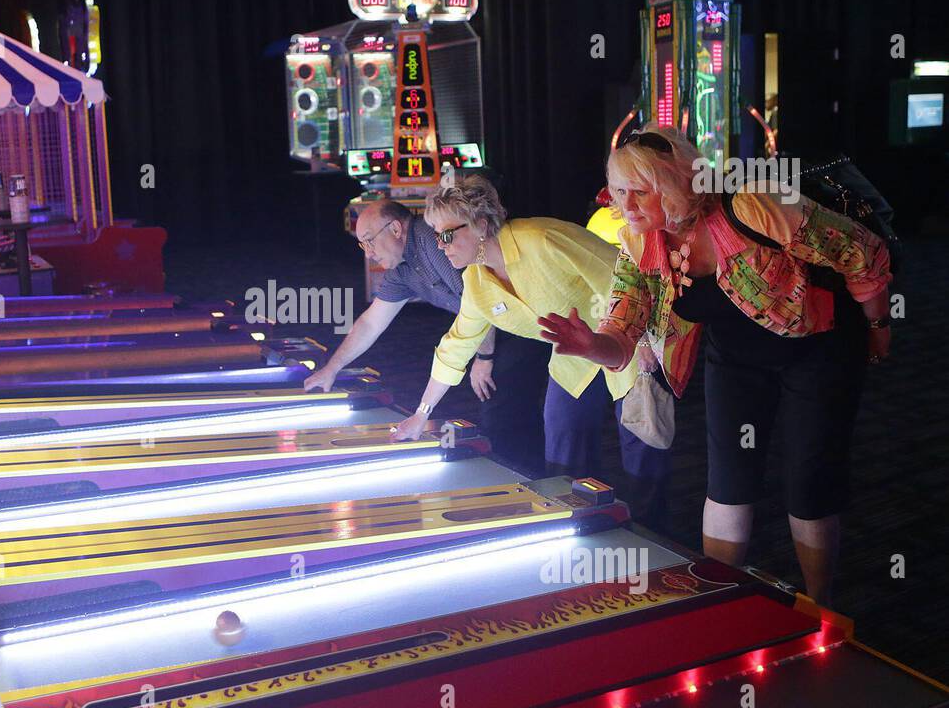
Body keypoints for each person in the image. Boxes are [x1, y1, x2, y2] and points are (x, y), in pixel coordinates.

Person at [538, 124, 892, 606]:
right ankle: (719, 597)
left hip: (818, 346)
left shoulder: (752, 206)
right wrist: (590, 344)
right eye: (619, 191)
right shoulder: (640, 241)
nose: (626, 205)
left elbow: (861, 251)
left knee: (809, 480)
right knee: (727, 479)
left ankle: (819, 603)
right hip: (736, 357)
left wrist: (878, 324)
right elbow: (622, 334)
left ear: (678, 186)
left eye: (641, 192)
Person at [389, 173, 670, 518]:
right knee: (564, 454)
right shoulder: (477, 283)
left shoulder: (541, 239)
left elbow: (623, 274)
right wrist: (421, 415)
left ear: (479, 224)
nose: (441, 246)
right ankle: (586, 527)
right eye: (436, 236)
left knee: (642, 449)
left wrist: (643, 339)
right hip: (575, 360)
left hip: (628, 341)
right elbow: (455, 347)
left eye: (447, 234)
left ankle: (656, 539)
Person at [304, 196, 550, 475]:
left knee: (502, 415)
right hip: (491, 328)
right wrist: (332, 368)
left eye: (370, 240)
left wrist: (484, 357)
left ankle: (528, 485)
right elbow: (371, 323)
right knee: (509, 412)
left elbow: (479, 299)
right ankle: (531, 478)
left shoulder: (432, 242)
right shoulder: (402, 269)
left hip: (518, 322)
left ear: (395, 229)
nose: (368, 252)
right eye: (362, 244)